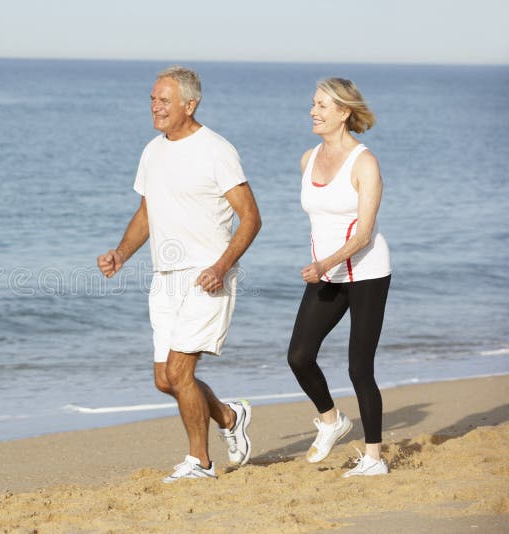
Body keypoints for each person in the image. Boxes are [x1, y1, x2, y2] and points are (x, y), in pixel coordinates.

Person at [97, 65, 262, 483]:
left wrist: (222, 266)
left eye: (164, 100)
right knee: (164, 380)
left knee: (180, 373)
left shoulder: (215, 150)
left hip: (207, 275)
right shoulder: (153, 151)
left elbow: (251, 218)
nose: (155, 107)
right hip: (164, 275)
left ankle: (200, 463)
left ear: (190, 104)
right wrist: (121, 253)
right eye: (152, 99)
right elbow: (147, 212)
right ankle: (228, 415)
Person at [287, 77, 391, 477]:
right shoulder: (307, 158)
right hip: (327, 273)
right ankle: (331, 420)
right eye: (313, 103)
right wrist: (324, 266)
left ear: (344, 112)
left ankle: (373, 459)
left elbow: (364, 233)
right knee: (299, 356)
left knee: (359, 368)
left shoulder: (365, 162)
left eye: (323, 106)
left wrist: (324, 263)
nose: (313, 111)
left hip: (367, 272)